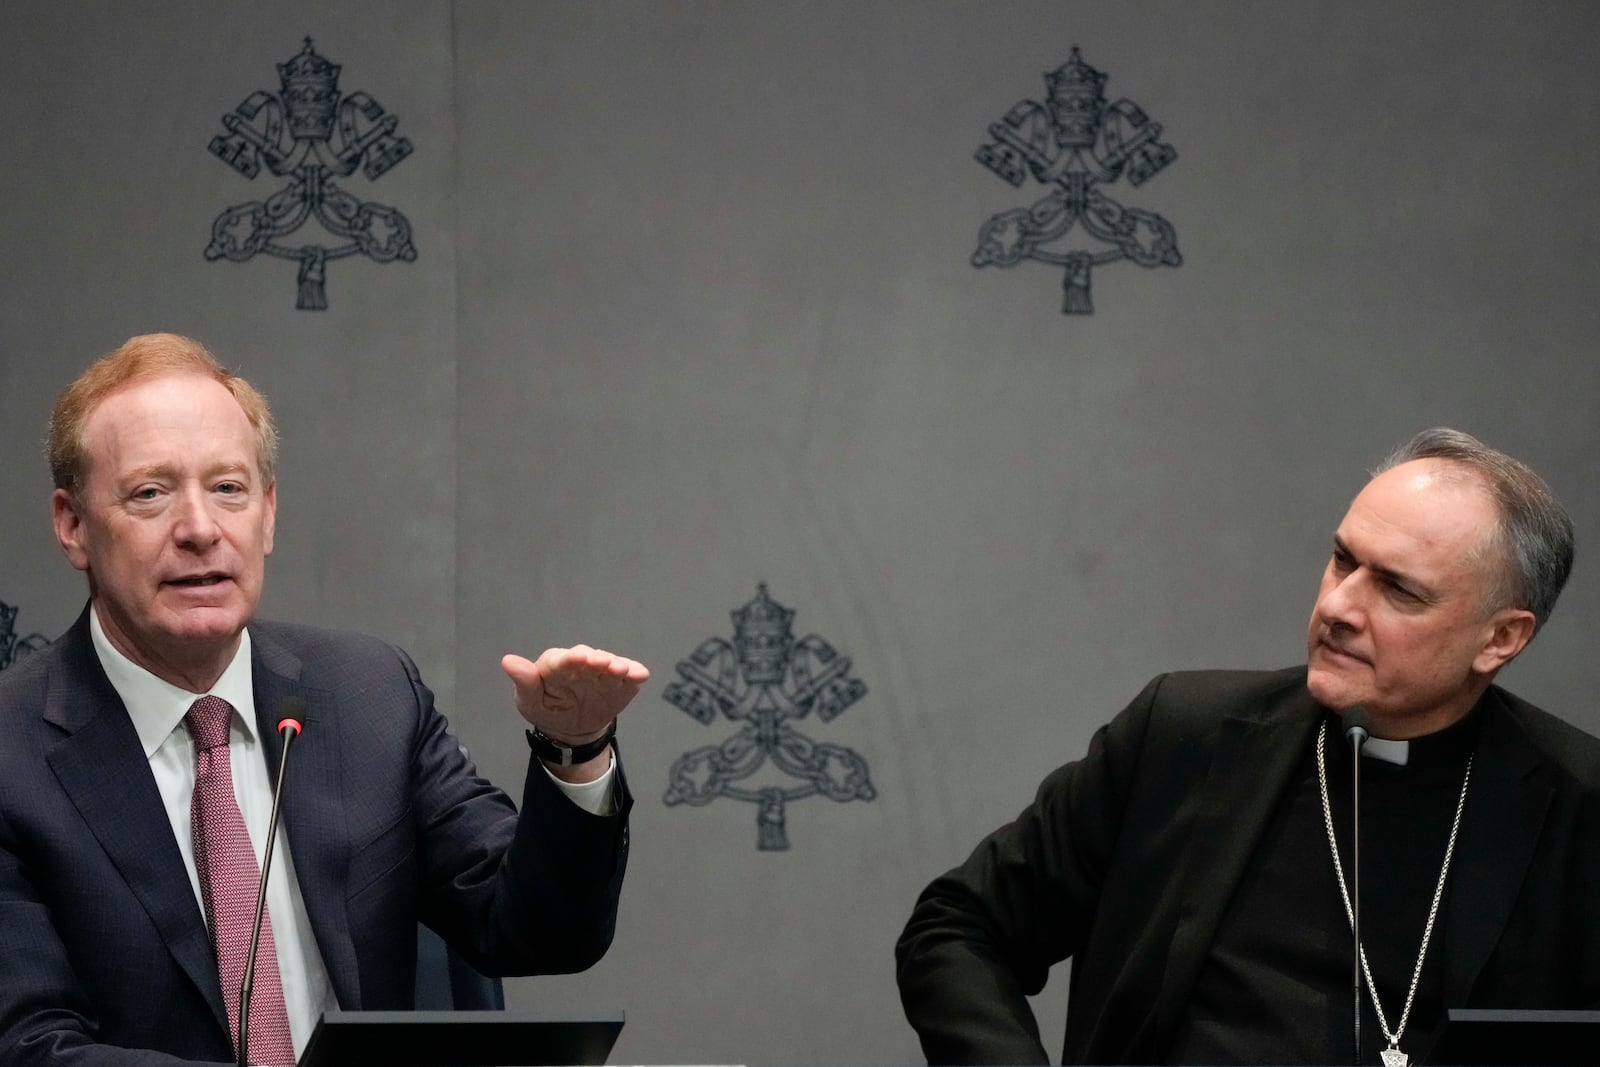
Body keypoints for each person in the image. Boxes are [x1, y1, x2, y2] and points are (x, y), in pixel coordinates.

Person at [0, 333, 649, 1066]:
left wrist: (576, 748)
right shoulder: (13, 753)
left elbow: (536, 929)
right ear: (73, 523)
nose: (200, 529)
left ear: (268, 512)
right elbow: (29, 1046)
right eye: (150, 492)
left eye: (228, 488)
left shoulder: (367, 694)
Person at [896, 428, 1600, 1066]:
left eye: (1397, 589)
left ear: (1500, 638)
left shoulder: (1578, 808)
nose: (1338, 606)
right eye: (1342, 559)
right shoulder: (1184, 733)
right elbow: (959, 925)